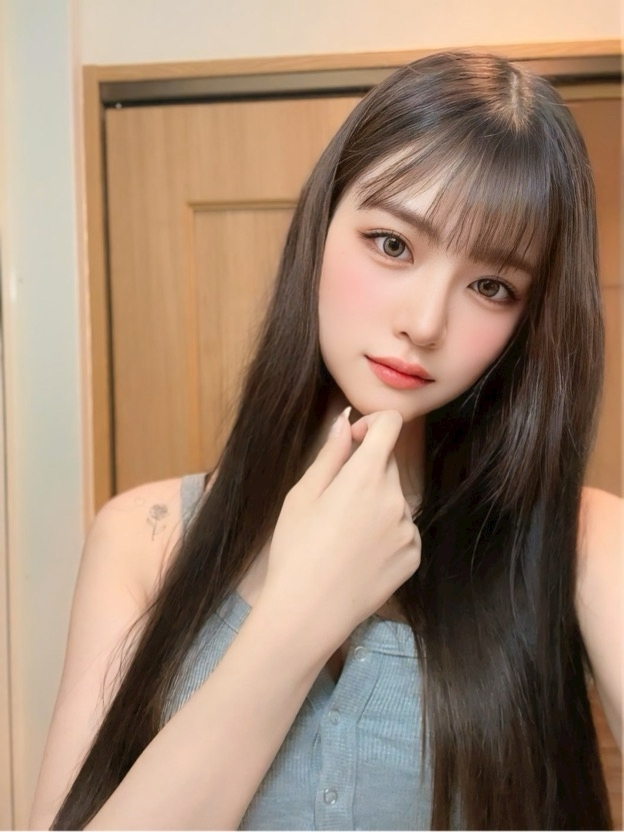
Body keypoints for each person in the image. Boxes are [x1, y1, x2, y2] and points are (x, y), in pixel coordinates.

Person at [30, 51, 621, 831]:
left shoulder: (583, 540)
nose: (425, 322)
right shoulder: (145, 539)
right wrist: (300, 614)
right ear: (321, 225)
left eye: (491, 287)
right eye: (392, 244)